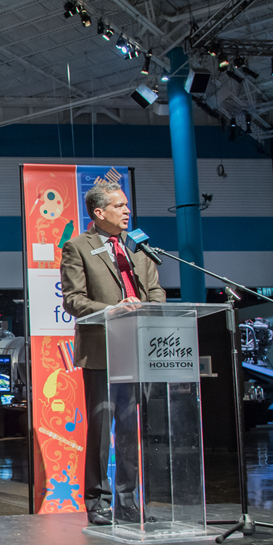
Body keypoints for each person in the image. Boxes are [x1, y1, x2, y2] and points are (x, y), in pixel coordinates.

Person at [60, 181, 165, 526]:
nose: (127, 212)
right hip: (103, 349)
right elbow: (73, 300)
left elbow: (156, 293)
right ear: (99, 212)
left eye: (127, 206)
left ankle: (128, 500)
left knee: (131, 428)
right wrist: (113, 309)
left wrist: (147, 308)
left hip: (139, 348)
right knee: (102, 428)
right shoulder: (78, 246)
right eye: (119, 206)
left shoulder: (139, 247)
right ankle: (97, 500)